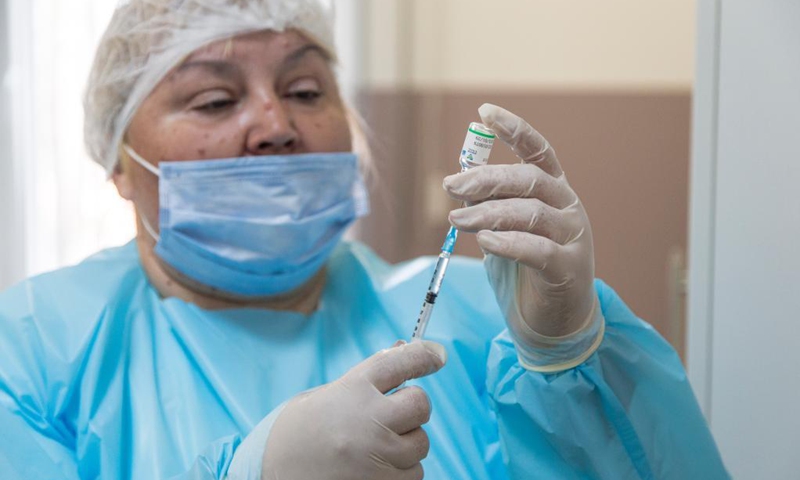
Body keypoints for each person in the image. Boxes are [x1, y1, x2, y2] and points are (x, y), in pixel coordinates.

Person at [0, 1, 729, 479]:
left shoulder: (483, 322)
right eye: (215, 99)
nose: (275, 124)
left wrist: (573, 361)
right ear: (119, 162)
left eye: (307, 91)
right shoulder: (35, 354)